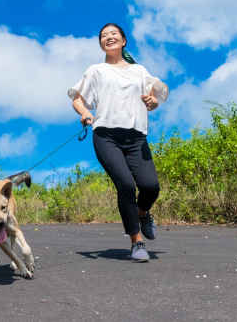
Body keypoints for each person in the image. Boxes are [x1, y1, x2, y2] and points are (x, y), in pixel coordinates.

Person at [68, 23, 169, 262]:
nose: (108, 37)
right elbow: (78, 99)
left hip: (136, 136)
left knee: (151, 186)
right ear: (101, 44)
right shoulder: (96, 70)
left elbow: (156, 93)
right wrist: (84, 112)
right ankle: (137, 242)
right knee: (125, 185)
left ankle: (142, 213)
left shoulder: (139, 71)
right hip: (106, 136)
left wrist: (152, 101)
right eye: (104, 35)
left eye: (113, 34)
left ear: (123, 41)